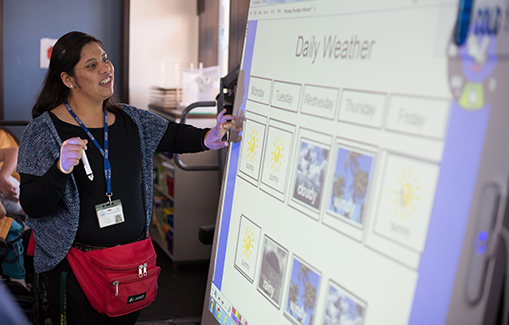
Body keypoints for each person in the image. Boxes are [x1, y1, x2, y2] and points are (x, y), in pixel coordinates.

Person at [17, 31, 240, 325]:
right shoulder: (43, 132)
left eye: (105, 59)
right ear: (68, 79)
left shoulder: (132, 120)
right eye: (91, 65)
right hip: (75, 270)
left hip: (131, 265)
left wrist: (208, 138)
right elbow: (33, 204)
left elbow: (172, 135)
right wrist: (60, 170)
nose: (105, 69)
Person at [0, 147, 28, 292]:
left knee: (11, 230)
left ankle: (18, 282)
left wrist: (2, 177)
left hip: (29, 212)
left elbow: (13, 151)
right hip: (21, 209)